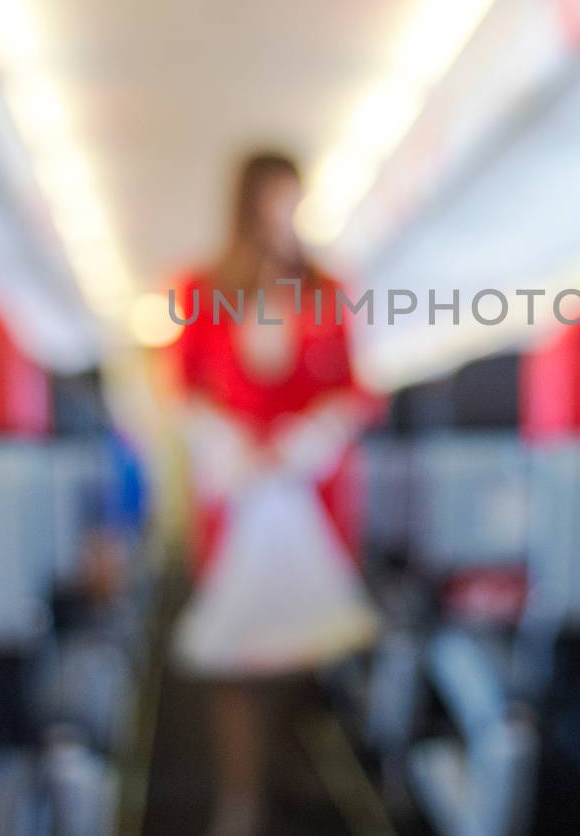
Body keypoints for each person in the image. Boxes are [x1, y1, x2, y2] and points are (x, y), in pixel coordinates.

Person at [167, 151, 379, 836]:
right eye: (268, 199)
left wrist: (302, 443)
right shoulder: (203, 289)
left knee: (296, 643)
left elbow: (349, 388)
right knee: (236, 650)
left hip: (307, 497)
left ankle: (284, 774)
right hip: (236, 497)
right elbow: (188, 390)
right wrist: (233, 447)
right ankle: (239, 796)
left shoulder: (326, 289)